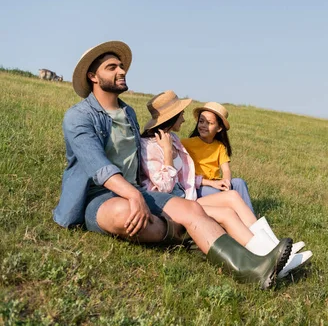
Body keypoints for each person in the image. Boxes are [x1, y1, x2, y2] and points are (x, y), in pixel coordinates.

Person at [52, 41, 291, 289]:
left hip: (139, 191)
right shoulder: (78, 117)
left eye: (121, 66)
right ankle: (185, 235)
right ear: (93, 76)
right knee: (126, 215)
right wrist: (133, 195)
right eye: (111, 67)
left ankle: (254, 268)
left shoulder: (128, 113)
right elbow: (98, 166)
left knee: (193, 210)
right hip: (98, 197)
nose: (121, 71)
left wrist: (142, 193)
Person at [139, 91, 312, 278]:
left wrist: (209, 181)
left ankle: (273, 246)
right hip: (170, 205)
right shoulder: (149, 146)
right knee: (227, 213)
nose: (184, 119)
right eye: (181, 114)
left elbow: (185, 177)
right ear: (171, 117)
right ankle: (268, 259)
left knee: (233, 195)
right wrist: (166, 153)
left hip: (186, 198)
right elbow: (164, 187)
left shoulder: (172, 139)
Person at [181, 102, 254, 213]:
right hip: (199, 186)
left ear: (219, 128)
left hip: (216, 183)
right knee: (220, 195)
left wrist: (226, 183)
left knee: (239, 182)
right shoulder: (186, 144)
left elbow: (226, 170)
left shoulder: (219, 147)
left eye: (209, 123)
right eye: (201, 121)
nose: (203, 126)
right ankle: (237, 216)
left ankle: (252, 220)